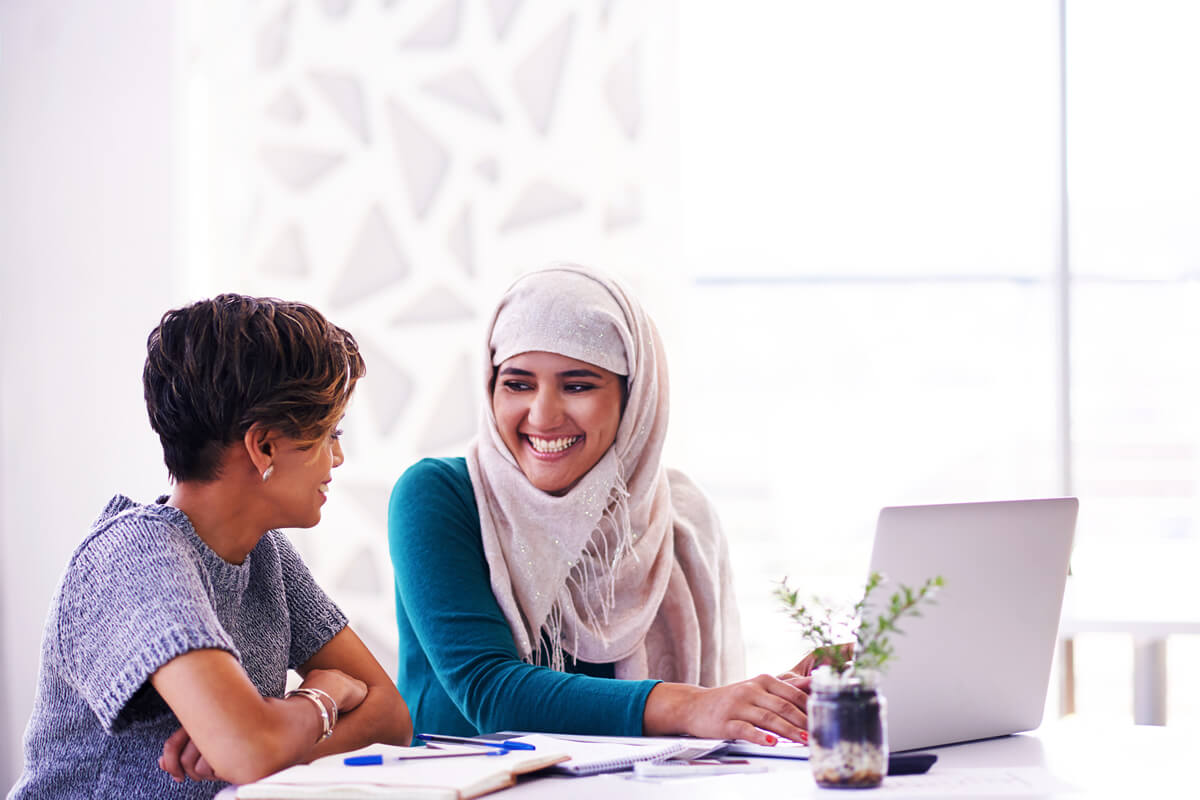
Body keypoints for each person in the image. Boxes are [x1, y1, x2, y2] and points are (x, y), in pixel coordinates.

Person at [9, 294, 412, 800]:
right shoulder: (134, 555)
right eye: (328, 433)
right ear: (262, 445)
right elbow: (248, 749)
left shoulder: (268, 556)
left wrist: (266, 743)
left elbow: (391, 718)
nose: (339, 456)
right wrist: (323, 695)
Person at [388, 264, 810, 746]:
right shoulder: (440, 495)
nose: (543, 416)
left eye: (578, 385)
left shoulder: (677, 518)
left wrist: (779, 702)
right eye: (518, 384)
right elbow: (490, 692)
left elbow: (692, 719)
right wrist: (692, 704)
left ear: (633, 400)